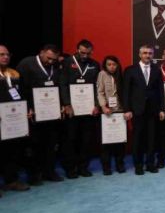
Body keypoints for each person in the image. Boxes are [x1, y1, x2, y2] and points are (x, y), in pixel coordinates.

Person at [17, 44, 64, 183]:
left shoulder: (56, 66)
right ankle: (34, 175)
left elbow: (59, 86)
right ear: (41, 52)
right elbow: (19, 88)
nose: (51, 61)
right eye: (48, 58)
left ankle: (49, 172)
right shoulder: (27, 64)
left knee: (51, 143)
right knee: (34, 145)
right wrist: (26, 107)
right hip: (33, 113)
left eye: (54, 59)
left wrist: (62, 105)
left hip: (52, 112)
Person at [59, 39, 100, 178]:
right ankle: (70, 169)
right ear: (77, 50)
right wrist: (66, 104)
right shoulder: (67, 62)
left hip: (88, 109)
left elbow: (97, 87)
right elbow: (63, 84)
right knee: (71, 139)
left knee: (86, 140)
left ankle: (83, 167)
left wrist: (96, 104)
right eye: (82, 53)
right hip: (72, 109)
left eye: (88, 53)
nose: (85, 56)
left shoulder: (95, 64)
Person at [123, 45, 165, 175]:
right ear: (140, 54)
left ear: (153, 55)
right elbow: (126, 91)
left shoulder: (156, 70)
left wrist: (162, 109)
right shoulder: (130, 70)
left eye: (150, 53)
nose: (147, 55)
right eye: (145, 53)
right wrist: (127, 109)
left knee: (152, 138)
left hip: (153, 110)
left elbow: (161, 91)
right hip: (137, 110)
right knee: (138, 138)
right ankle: (138, 165)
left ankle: (150, 164)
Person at [0, 44, 31, 193]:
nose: (6, 57)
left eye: (7, 54)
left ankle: (11, 180)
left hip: (12, 119)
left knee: (12, 150)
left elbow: (22, 94)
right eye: (2, 54)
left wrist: (26, 109)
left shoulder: (14, 74)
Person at [96, 55, 128, 175]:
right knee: (106, 141)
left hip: (119, 111)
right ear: (105, 65)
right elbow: (100, 92)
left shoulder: (121, 75)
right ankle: (106, 166)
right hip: (107, 112)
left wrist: (126, 109)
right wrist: (103, 106)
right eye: (109, 64)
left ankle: (120, 164)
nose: (112, 67)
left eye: (114, 64)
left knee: (120, 141)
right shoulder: (102, 74)